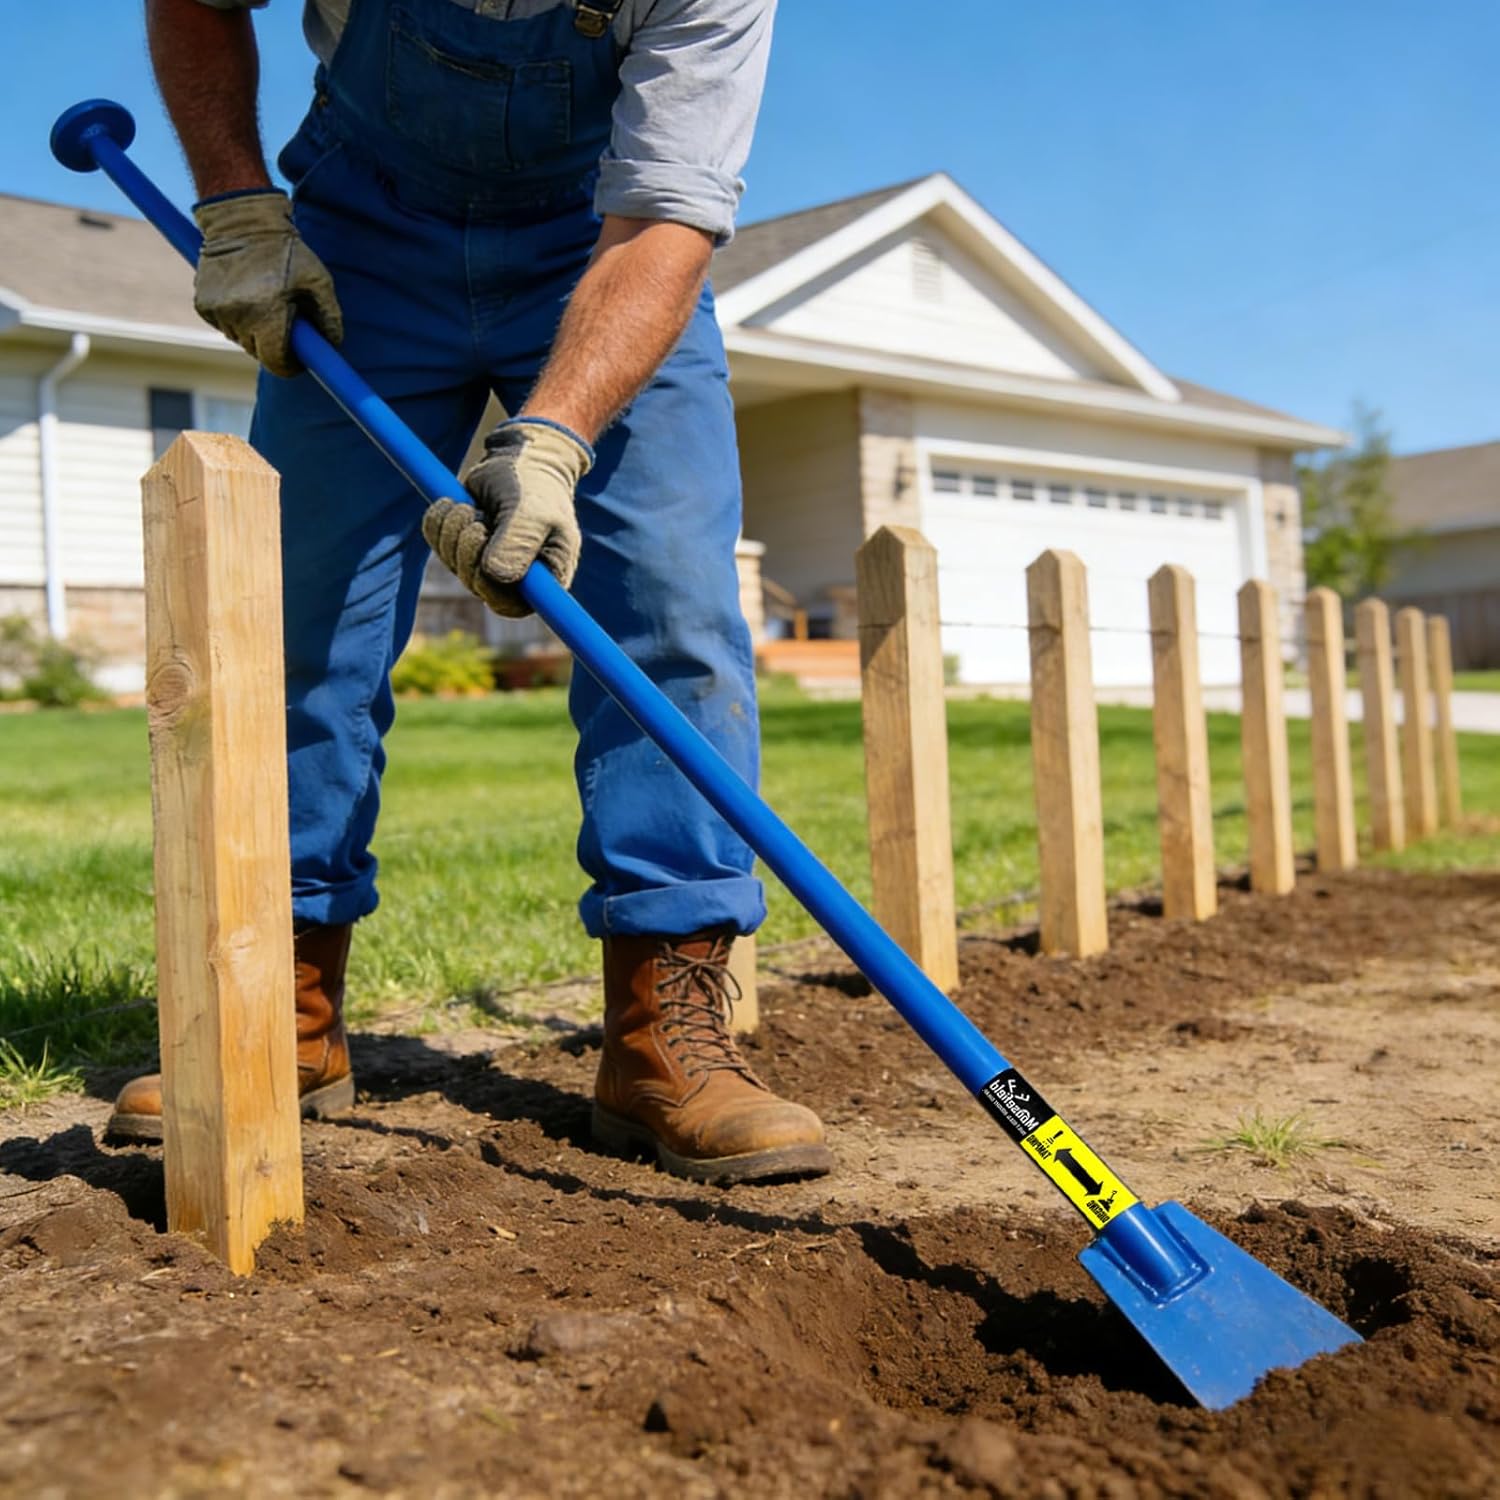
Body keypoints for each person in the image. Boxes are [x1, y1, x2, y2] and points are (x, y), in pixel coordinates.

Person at [108, 0, 833, 1185]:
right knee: (301, 621)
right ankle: (278, 1004)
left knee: (673, 614)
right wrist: (238, 204)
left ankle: (665, 1033)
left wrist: (549, 442)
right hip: (364, 235)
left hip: (603, 239)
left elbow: (666, 212)